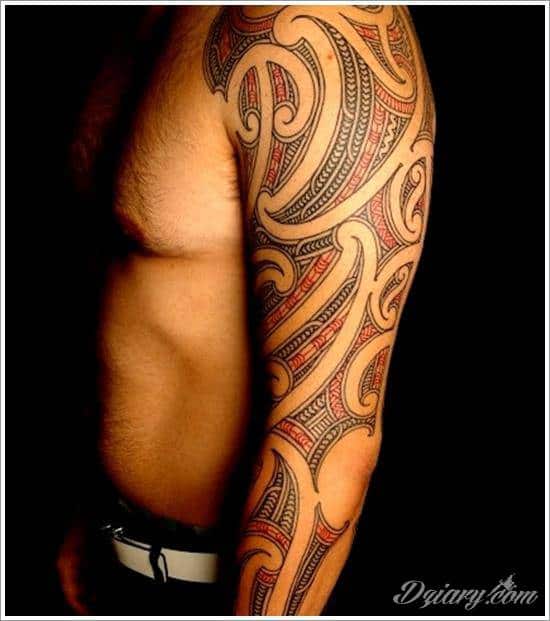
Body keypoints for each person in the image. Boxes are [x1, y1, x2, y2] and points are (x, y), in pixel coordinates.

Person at [57, 5, 435, 615]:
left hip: (225, 591)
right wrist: (90, 508)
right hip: (113, 549)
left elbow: (326, 440)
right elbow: (121, 280)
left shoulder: (326, 41)